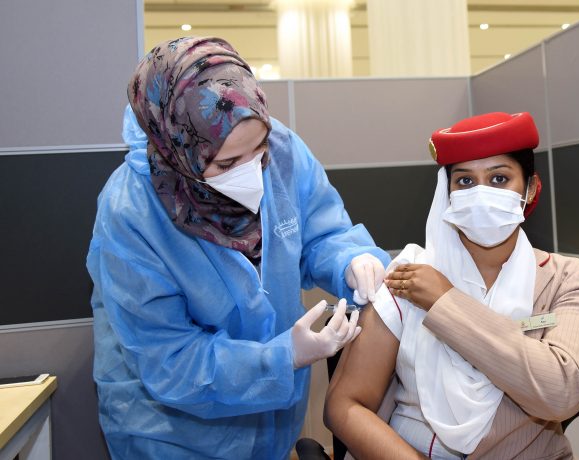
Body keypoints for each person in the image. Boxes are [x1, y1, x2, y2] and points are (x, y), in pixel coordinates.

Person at [87, 36, 390, 459]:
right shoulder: (131, 214)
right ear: (179, 152)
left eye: (258, 153)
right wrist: (282, 358)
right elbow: (171, 360)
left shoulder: (279, 148)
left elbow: (321, 232)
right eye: (227, 165)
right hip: (172, 433)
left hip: (271, 422)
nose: (251, 173)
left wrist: (350, 261)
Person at [324, 112, 579, 459]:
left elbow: (560, 392)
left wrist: (445, 301)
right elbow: (345, 405)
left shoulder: (571, 280)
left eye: (500, 178)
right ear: (447, 192)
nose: (482, 194)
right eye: (465, 182)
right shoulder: (409, 277)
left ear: (530, 187)